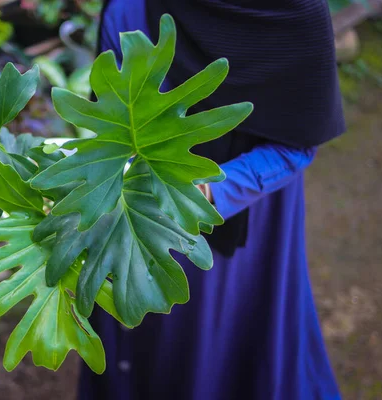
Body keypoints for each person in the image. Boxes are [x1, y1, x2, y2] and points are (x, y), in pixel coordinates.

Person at [78, 0, 345, 399]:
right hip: (137, 212)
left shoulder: (292, 10)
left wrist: (209, 192)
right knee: (144, 341)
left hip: (244, 217)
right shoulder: (131, 7)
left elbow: (299, 142)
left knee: (226, 346)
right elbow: (112, 119)